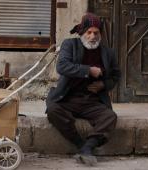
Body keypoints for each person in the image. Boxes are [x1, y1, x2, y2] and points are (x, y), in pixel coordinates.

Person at [46, 13, 121, 166]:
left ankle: (88, 146)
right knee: (53, 110)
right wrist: (88, 71)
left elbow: (116, 75)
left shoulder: (108, 52)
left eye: (96, 32)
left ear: (100, 34)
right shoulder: (70, 45)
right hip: (68, 98)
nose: (93, 36)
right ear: (82, 32)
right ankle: (81, 145)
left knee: (110, 117)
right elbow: (62, 67)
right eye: (89, 32)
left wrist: (104, 85)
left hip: (92, 101)